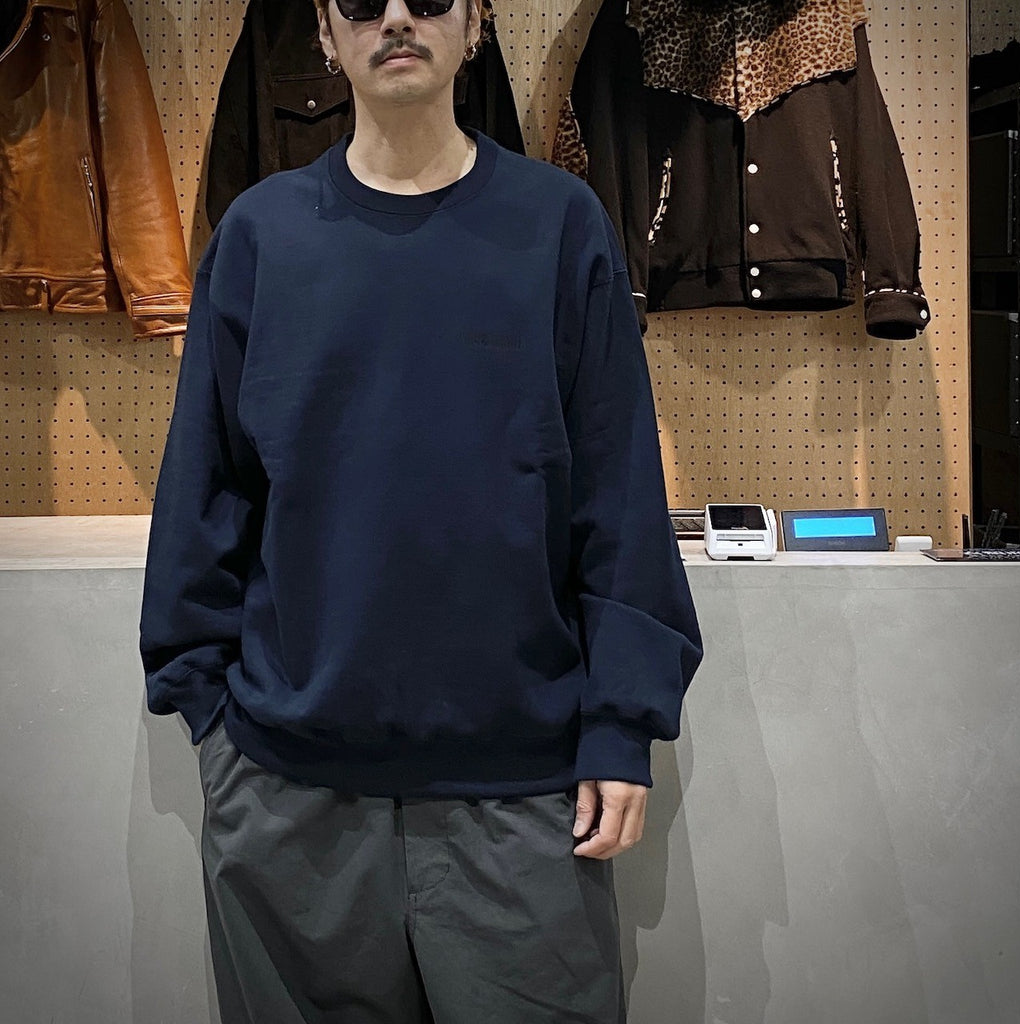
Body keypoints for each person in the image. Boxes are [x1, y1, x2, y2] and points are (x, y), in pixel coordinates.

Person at [139, 0, 703, 1021]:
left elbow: (617, 489)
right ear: (324, 31)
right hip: (290, 792)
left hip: (522, 789)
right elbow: (203, 488)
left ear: (475, 22)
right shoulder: (259, 236)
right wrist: (212, 721)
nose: (396, 17)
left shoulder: (558, 222)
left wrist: (623, 722)